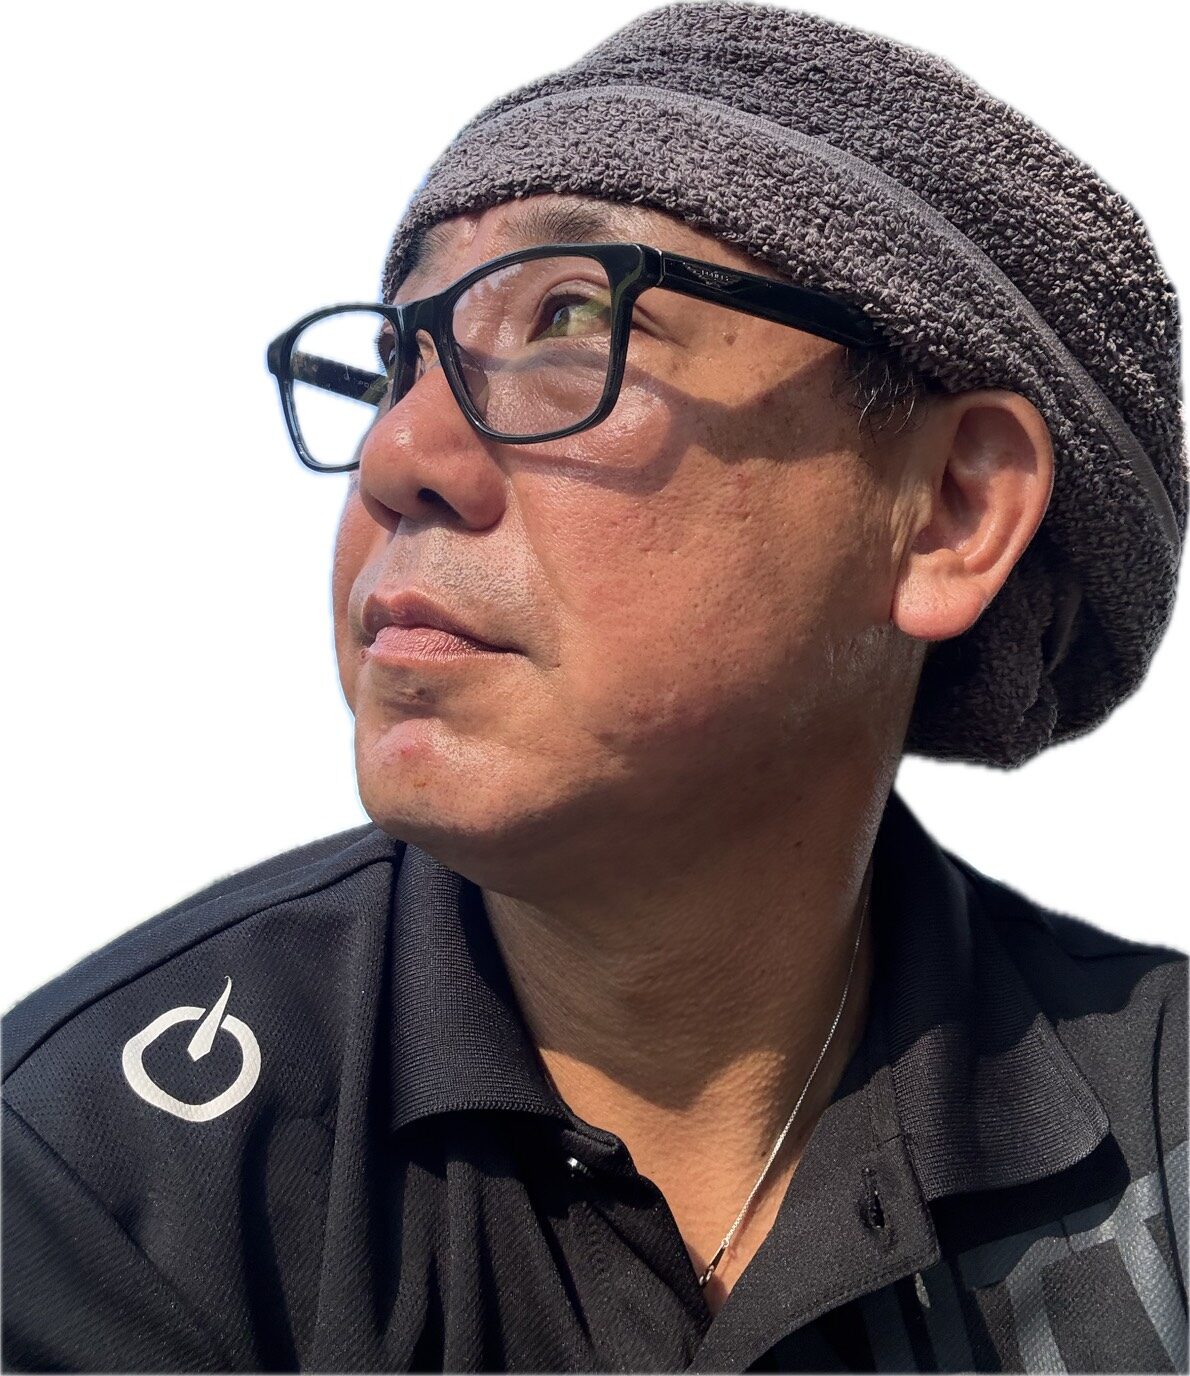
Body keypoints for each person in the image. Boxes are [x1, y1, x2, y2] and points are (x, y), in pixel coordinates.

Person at [3, 2, 1186, 1371]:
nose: (398, 456)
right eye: (398, 364)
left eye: (567, 318)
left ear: (948, 510)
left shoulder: (1158, 1132)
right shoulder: (118, 1180)